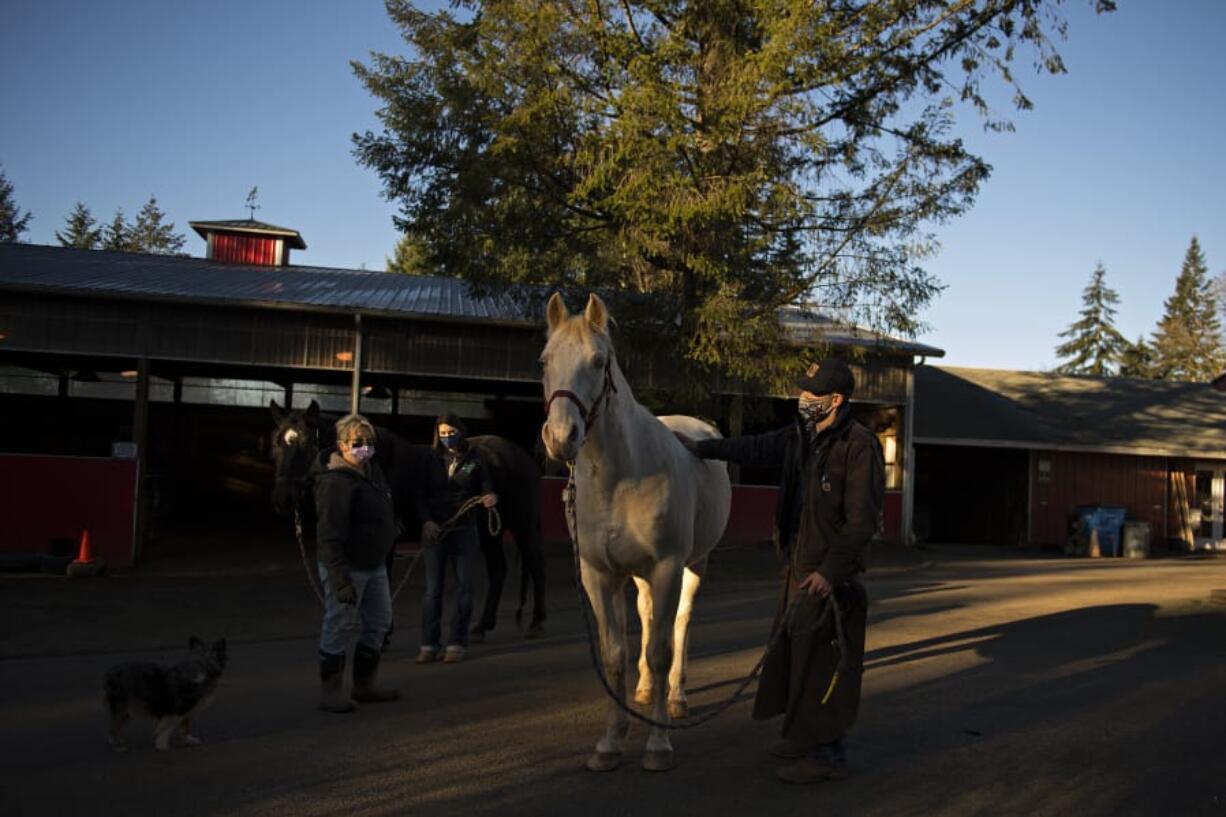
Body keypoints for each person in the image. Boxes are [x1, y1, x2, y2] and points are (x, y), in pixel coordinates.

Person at [677, 358, 884, 783]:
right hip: (798, 566)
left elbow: (862, 521)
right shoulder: (801, 437)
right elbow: (752, 448)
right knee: (794, 656)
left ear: (835, 401)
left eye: (811, 394)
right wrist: (701, 447)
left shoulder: (858, 445)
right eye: (803, 391)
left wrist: (830, 572)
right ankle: (801, 737)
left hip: (828, 577)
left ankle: (828, 753)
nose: (802, 399)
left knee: (823, 663)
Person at [312, 413, 400, 713]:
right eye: (357, 443)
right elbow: (328, 536)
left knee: (379, 622)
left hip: (374, 565)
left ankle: (365, 685)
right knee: (339, 624)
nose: (364, 448)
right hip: (348, 566)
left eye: (369, 442)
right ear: (341, 445)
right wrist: (339, 580)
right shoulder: (336, 483)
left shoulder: (372, 472)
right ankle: (331, 692)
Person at [415, 413, 498, 665]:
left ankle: (457, 642)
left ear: (460, 431)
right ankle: (429, 643)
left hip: (464, 529)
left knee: (464, 588)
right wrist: (426, 521)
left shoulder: (475, 459)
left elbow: (486, 486)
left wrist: (490, 497)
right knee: (433, 591)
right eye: (443, 433)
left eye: (451, 432)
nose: (447, 437)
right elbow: (419, 494)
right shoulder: (430, 459)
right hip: (435, 531)